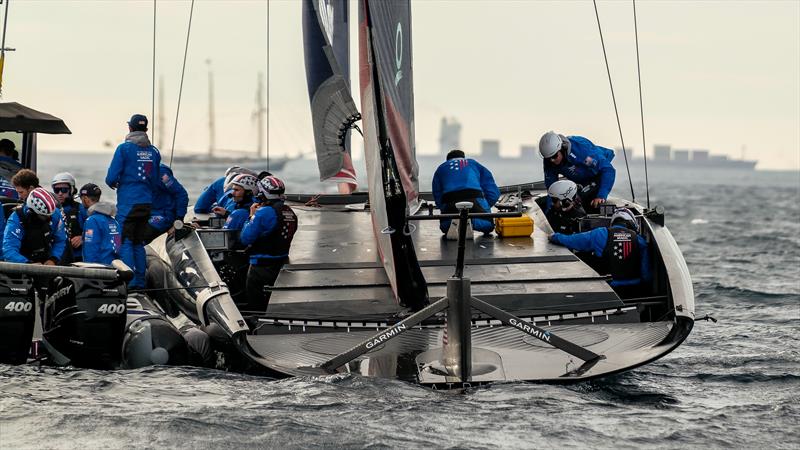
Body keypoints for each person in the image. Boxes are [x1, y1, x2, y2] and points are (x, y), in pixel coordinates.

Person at [105, 114, 161, 289]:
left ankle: (129, 283)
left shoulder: (124, 149)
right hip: (146, 203)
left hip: (129, 203)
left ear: (130, 128)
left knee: (126, 242)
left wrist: (114, 182)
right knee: (138, 242)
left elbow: (111, 177)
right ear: (146, 130)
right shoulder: (154, 152)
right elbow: (155, 180)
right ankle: (140, 282)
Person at [549, 207, 650, 297]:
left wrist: (555, 237)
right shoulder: (640, 241)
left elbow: (572, 241)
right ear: (632, 223)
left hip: (610, 289)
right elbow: (646, 275)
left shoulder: (600, 233)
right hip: (635, 290)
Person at [238, 176, 297, 312]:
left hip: (260, 267)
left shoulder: (264, 212)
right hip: (281, 265)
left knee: (256, 306)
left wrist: (251, 216)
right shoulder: (289, 211)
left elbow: (245, 238)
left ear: (262, 193)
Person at [539, 131, 616, 209]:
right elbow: (551, 187)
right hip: (578, 177)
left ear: (562, 149)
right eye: (548, 158)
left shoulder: (582, 153)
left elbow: (608, 170)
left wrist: (601, 196)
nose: (552, 160)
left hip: (596, 174)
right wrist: (552, 207)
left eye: (554, 156)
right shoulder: (549, 159)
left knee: (577, 200)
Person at [431, 149, 500, 237]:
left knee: (445, 227)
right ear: (463, 157)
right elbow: (493, 193)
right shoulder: (473, 164)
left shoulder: (441, 168)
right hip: (474, 198)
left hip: (450, 201)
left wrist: (444, 208)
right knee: (488, 225)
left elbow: (437, 195)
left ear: (447, 160)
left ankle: (456, 223)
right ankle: (471, 222)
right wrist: (484, 206)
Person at [3, 187, 67, 265]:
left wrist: (53, 259)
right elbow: (8, 249)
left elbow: (60, 240)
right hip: (23, 261)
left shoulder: (55, 214)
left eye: (50, 215)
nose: (49, 219)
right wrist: (28, 264)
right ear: (32, 212)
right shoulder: (16, 219)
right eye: (44, 216)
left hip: (46, 259)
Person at [143, 163, 188, 243]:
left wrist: (179, 220)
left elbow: (181, 194)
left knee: (138, 237)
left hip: (162, 215)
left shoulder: (161, 173)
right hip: (144, 212)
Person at [79, 183, 121, 265]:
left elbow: (91, 249)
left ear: (85, 199)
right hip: (114, 267)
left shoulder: (92, 220)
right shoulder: (113, 220)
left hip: (100, 270)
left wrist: (89, 270)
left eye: (81, 198)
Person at [51, 172, 87, 263]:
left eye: (64, 190)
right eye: (56, 190)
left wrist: (83, 237)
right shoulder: (49, 210)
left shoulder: (81, 209)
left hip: (77, 257)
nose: (60, 193)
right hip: (56, 257)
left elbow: (94, 229)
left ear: (72, 190)